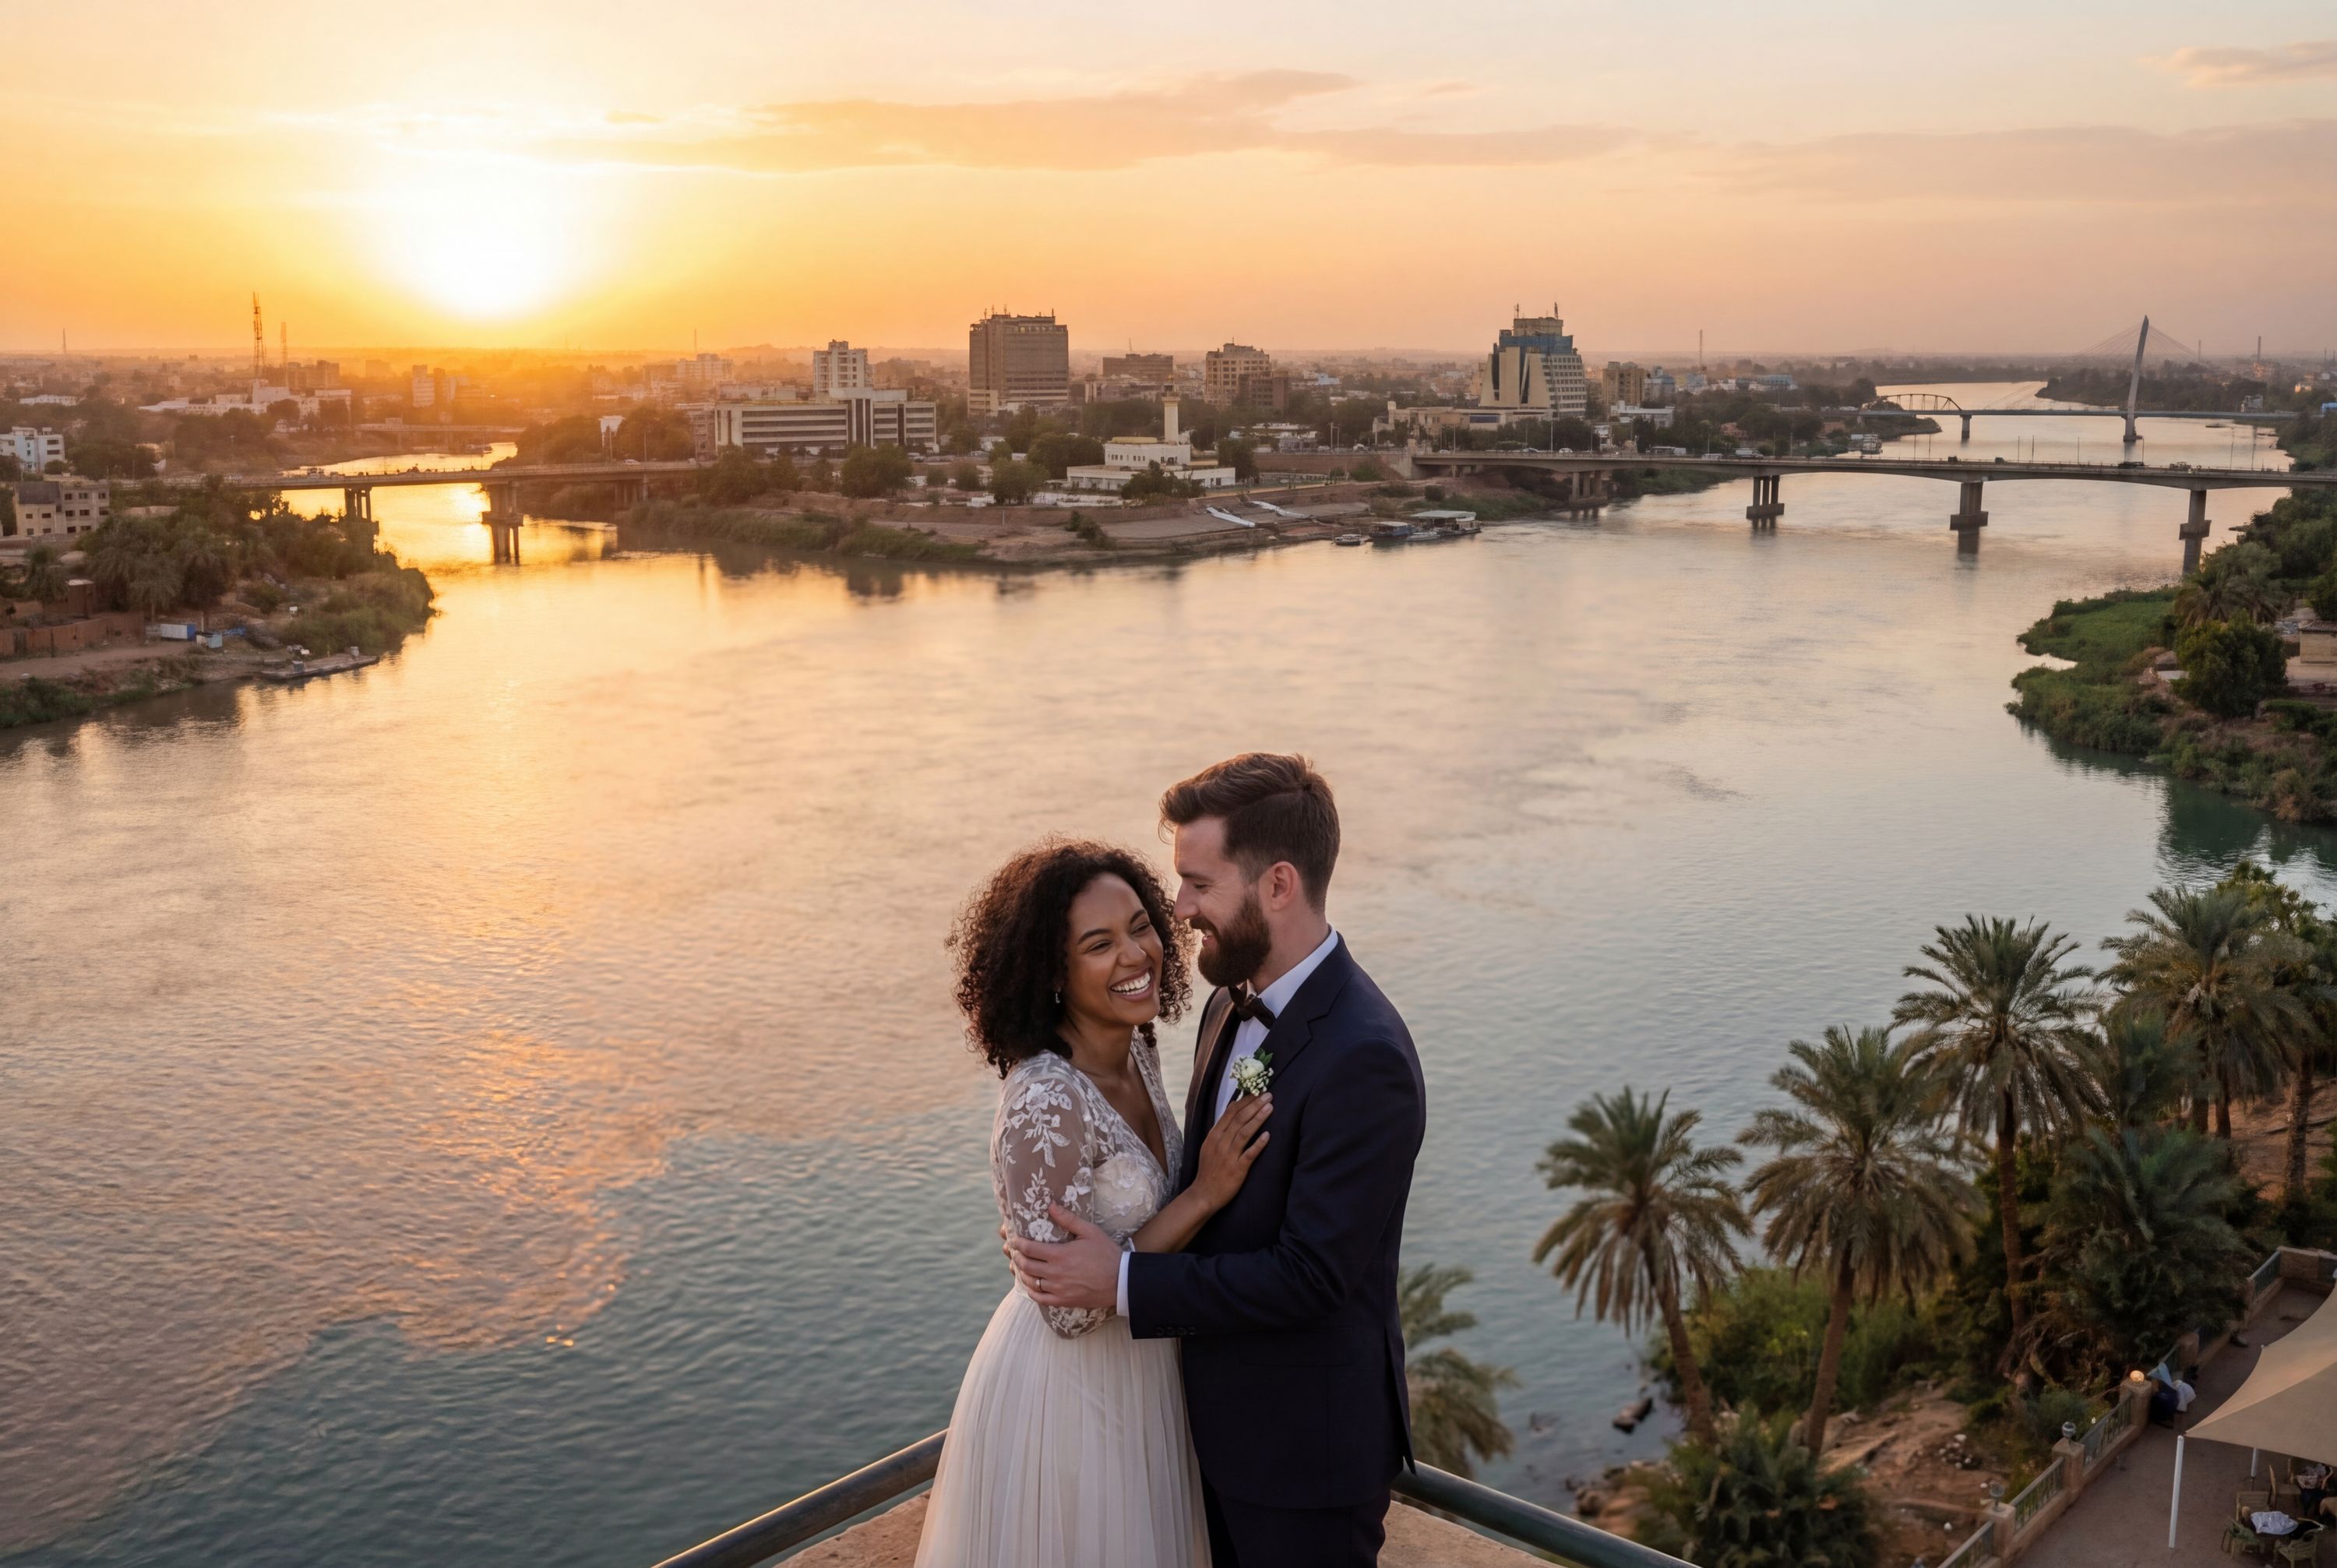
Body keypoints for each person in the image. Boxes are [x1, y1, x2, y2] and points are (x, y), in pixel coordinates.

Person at [1011, 754, 1429, 1568]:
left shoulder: (1363, 1057)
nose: (1179, 909)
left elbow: (1311, 1276)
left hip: (1301, 1457)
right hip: (1192, 1435)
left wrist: (1121, 1280)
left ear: (1277, 885)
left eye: (1199, 885)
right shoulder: (1221, 1006)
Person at [915, 840, 1276, 1568]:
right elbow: (1069, 1310)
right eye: (1099, 943)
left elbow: (1127, 1235)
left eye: (1141, 926)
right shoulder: (1043, 1098)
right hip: (1068, 1393)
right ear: (1053, 972)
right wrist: (1205, 1193)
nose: (1136, 954)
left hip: (1148, 1369)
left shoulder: (1137, 1046)